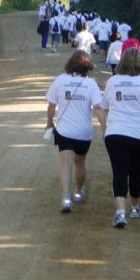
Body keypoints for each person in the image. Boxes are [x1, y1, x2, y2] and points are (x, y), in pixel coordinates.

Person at [101, 48, 140, 228]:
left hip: (116, 133)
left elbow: (104, 106)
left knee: (119, 171)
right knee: (136, 171)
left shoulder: (113, 81)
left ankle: (120, 213)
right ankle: (134, 207)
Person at [45, 51, 105, 213]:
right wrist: (105, 128)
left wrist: (50, 123)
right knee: (80, 163)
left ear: (70, 63)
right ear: (87, 66)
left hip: (64, 131)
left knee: (66, 163)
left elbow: (51, 106)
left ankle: (66, 197)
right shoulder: (91, 84)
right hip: (83, 132)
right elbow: (98, 108)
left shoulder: (60, 80)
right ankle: (78, 192)